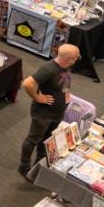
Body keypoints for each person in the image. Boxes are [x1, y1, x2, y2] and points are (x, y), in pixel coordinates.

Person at [18, 44, 80, 177]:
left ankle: (38, 164)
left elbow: (64, 82)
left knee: (46, 138)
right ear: (68, 59)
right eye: (76, 58)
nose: (77, 60)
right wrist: (38, 97)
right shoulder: (49, 69)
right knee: (33, 139)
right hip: (44, 113)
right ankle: (24, 167)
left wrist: (66, 95)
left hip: (56, 112)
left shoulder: (65, 67)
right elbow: (27, 83)